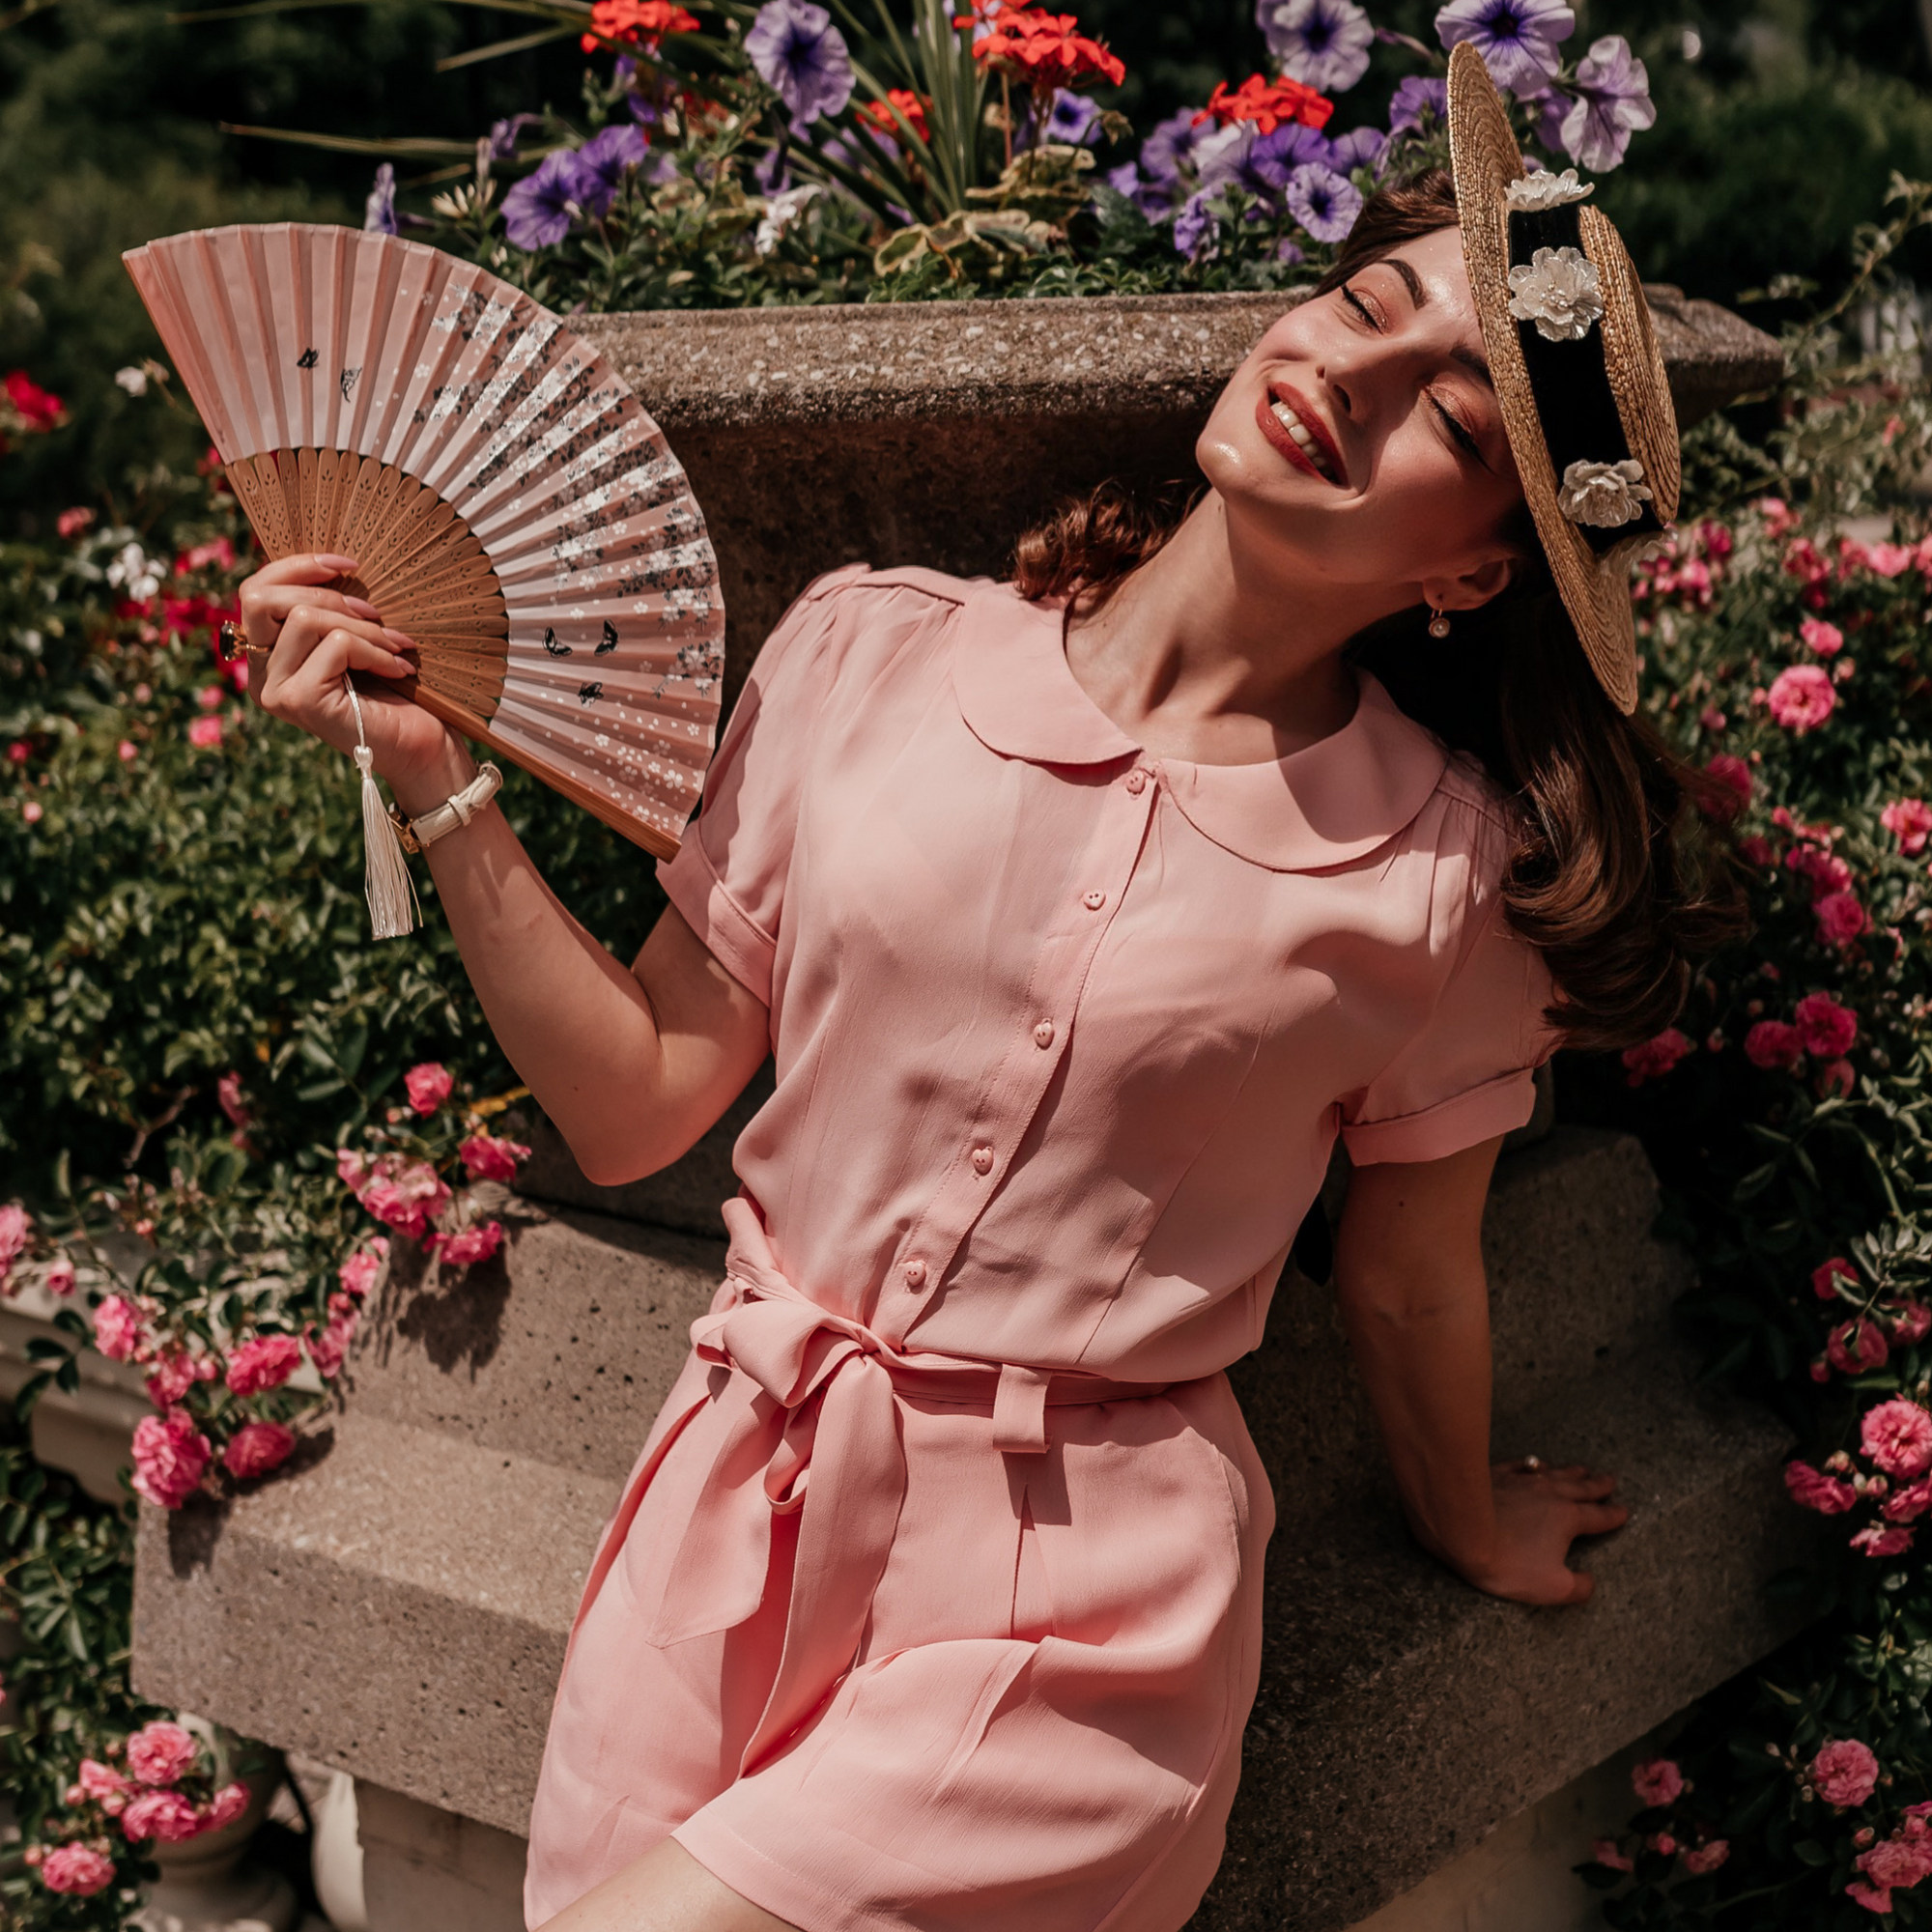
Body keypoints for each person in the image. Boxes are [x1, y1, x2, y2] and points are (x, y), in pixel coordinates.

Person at [233, 44, 1744, 1932]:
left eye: (1445, 411)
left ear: (1472, 572)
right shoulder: (866, 645)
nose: (1344, 375)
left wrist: (1465, 1517)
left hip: (1073, 1629)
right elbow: (637, 1101)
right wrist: (432, 774)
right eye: (1360, 304)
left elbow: (1410, 1269)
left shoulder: (1442, 876)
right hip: (725, 1540)